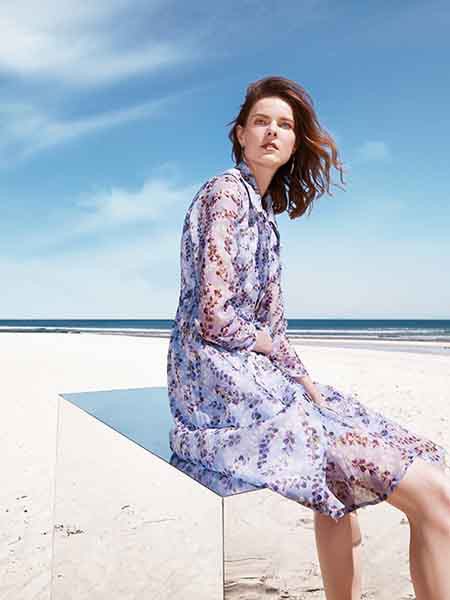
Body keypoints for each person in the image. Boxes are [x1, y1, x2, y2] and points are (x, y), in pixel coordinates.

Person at [166, 75, 450, 600]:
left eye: (285, 125)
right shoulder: (225, 193)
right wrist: (269, 350)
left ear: (295, 142)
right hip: (217, 383)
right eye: (261, 121)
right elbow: (213, 316)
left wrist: (301, 376)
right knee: (435, 495)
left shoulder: (265, 215)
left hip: (251, 375)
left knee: (390, 458)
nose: (272, 131)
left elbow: (274, 328)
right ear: (240, 134)